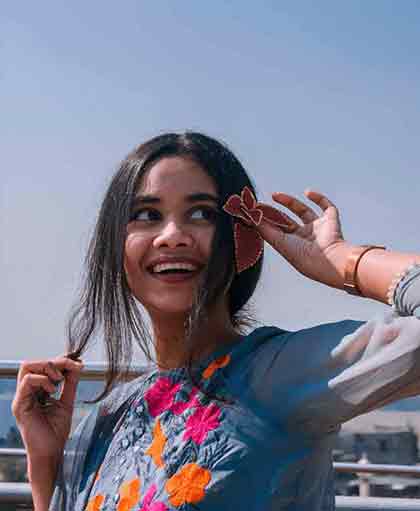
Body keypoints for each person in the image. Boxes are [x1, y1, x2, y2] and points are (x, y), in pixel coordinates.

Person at [12, 132, 420, 511]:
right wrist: (45, 463)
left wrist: (341, 260)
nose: (172, 235)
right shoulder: (108, 419)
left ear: (241, 238)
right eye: (147, 214)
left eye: (202, 213)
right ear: (115, 247)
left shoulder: (276, 376)